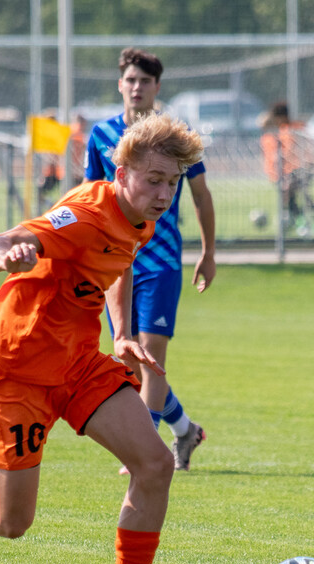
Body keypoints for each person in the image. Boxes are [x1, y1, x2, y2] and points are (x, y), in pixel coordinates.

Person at [0, 113, 205, 564]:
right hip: (15, 367)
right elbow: (3, 238)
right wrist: (4, 253)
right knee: (13, 522)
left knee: (154, 464)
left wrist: (121, 332)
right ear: (121, 173)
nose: (165, 193)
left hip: (77, 362)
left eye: (173, 182)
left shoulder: (141, 216)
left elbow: (119, 262)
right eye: (154, 180)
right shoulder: (83, 214)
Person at [83, 47, 216, 471]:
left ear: (157, 87)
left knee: (152, 357)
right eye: (130, 80)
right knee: (129, 358)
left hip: (160, 262)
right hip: (113, 260)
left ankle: (145, 448)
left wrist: (209, 253)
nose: (137, 87)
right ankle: (185, 429)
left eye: (145, 81)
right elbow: (90, 196)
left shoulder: (176, 139)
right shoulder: (102, 135)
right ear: (120, 84)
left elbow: (200, 194)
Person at [260, 100, 314, 236]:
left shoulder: (292, 129)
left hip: (301, 167)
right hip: (293, 169)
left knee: (295, 193)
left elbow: (292, 150)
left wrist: (281, 158)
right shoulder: (287, 130)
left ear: (281, 117)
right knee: (291, 195)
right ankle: (299, 222)